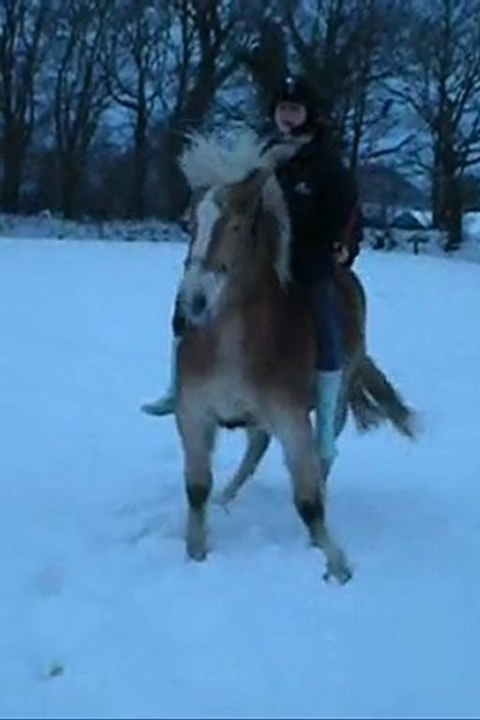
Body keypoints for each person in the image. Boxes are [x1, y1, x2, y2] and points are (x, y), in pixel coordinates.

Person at [141, 72, 363, 469]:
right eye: (282, 109)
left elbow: (347, 214)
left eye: (294, 110)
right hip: (255, 257)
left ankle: (326, 424)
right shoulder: (262, 157)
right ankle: (177, 386)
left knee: (327, 323)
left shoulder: (326, 165)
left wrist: (344, 247)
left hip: (307, 258)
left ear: (309, 115)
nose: (287, 117)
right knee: (188, 299)